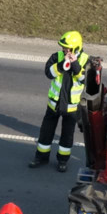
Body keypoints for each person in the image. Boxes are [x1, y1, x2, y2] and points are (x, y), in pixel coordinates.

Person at [28, 31, 91, 173]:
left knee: (67, 136)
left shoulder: (85, 60)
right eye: (63, 47)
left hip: (71, 107)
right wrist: (62, 65)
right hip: (54, 104)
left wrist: (74, 64)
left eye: (67, 48)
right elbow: (48, 73)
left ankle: (63, 161)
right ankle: (41, 157)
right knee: (46, 133)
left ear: (75, 48)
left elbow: (86, 80)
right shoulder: (57, 57)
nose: (64, 50)